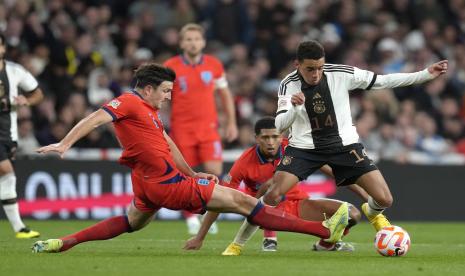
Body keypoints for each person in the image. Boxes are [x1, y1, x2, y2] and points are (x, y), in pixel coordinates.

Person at [32, 63, 349, 253]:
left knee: (131, 222)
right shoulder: (129, 102)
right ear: (148, 89)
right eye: (166, 90)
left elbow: (168, 144)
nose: (169, 96)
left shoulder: (150, 113)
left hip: (148, 184)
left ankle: (65, 242)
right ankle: (325, 232)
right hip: (167, 186)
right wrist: (64, 144)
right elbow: (96, 118)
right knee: (247, 204)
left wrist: (193, 173)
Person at [262, 40, 448, 232]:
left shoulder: (341, 73)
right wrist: (294, 107)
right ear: (297, 64)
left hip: (344, 147)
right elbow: (280, 125)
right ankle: (239, 243)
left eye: (320, 68)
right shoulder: (288, 84)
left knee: (385, 199)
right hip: (304, 148)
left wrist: (425, 75)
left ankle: (372, 212)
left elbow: (382, 81)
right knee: (272, 195)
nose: (316, 74)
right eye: (310, 69)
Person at [183, 117, 361, 254]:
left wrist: (365, 195)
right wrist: (200, 237)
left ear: (281, 136)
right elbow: (220, 199)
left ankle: (326, 245)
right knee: (271, 191)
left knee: (352, 214)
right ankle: (244, 243)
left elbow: (329, 169)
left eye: (275, 137)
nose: (270, 142)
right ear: (256, 138)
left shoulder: (293, 148)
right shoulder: (244, 162)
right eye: (265, 137)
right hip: (264, 212)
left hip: (299, 204)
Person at [163, 23, 238, 235]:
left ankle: (206, 214)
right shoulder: (170, 66)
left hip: (208, 128)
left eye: (196, 39)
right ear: (181, 43)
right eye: (188, 39)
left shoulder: (214, 65)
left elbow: (225, 95)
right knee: (187, 174)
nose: (193, 43)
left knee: (214, 172)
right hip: (182, 129)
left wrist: (231, 122)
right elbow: (162, 97)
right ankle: (190, 217)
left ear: (203, 42)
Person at [0, 34, 43, 239]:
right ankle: (19, 228)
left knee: (6, 177)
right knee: (7, 173)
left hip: (8, 135)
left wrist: (26, 100)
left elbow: (38, 93)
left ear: (3, 48)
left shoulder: (14, 71)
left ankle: (19, 228)